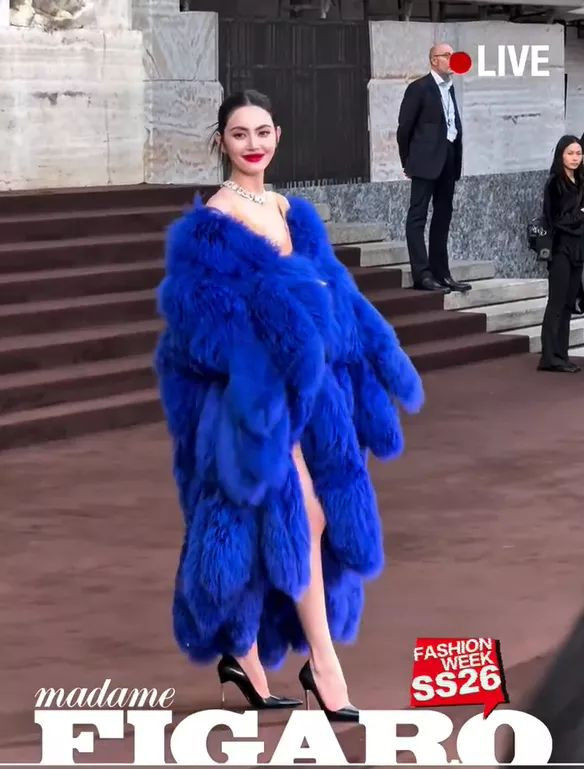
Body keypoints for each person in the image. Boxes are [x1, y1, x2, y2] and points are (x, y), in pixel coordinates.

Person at [154, 89, 424, 721]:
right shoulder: (210, 226)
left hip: (313, 400)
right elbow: (200, 326)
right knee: (297, 513)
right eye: (239, 134)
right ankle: (323, 665)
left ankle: (244, 654)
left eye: (263, 131)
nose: (253, 144)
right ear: (220, 142)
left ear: (277, 135)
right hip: (253, 404)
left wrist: (375, 350)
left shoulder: (290, 211)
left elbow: (337, 295)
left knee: (286, 520)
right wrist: (277, 346)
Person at [397, 43, 470, 294]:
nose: (452, 59)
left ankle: (442, 273)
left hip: (448, 158)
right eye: (446, 55)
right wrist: (407, 161)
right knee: (417, 216)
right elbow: (404, 128)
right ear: (433, 60)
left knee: (443, 216)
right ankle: (422, 274)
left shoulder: (450, 88)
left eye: (453, 55)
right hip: (424, 162)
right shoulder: (419, 88)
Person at [538, 135, 584, 373]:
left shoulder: (581, 181)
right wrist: (581, 215)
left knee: (568, 304)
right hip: (559, 249)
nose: (575, 158)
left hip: (578, 249)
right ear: (560, 155)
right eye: (570, 153)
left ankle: (561, 354)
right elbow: (556, 220)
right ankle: (549, 356)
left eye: (579, 153)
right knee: (556, 303)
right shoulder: (555, 183)